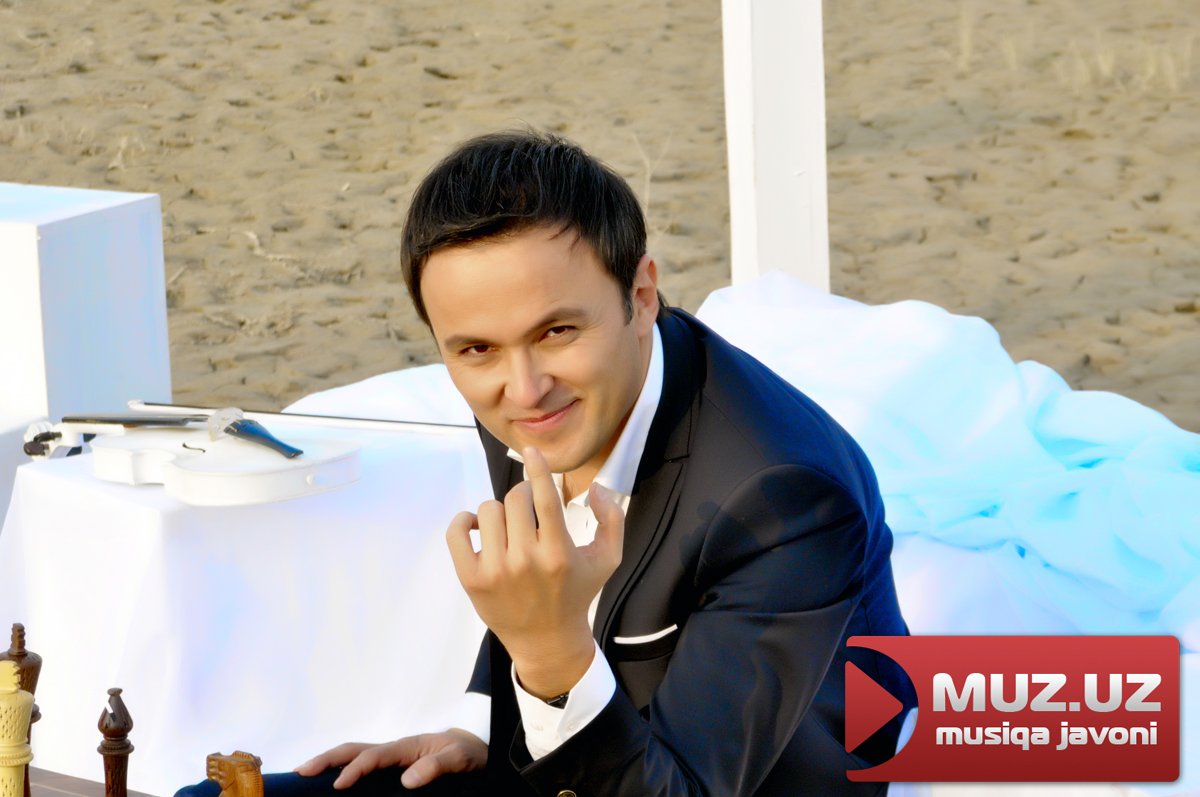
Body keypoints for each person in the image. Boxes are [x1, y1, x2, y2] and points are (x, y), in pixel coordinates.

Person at [177, 130, 915, 797]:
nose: (524, 389)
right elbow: (544, 594)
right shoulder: (529, 397)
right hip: (584, 747)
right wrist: (483, 726)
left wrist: (549, 652)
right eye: (476, 349)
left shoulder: (786, 497)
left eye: (557, 331)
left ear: (641, 295)